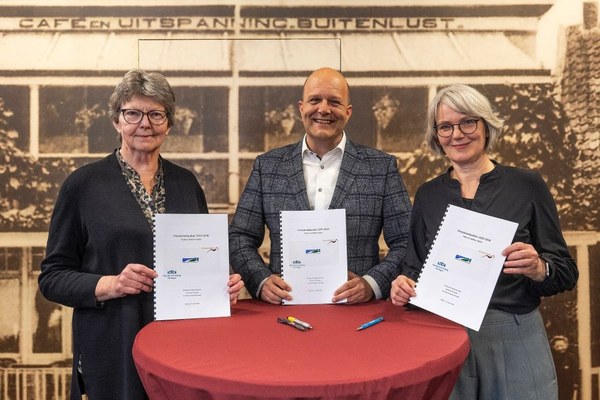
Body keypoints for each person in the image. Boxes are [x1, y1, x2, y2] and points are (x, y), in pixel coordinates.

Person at [38, 69, 244, 400]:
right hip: (113, 349)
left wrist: (221, 285)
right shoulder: (82, 185)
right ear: (116, 121)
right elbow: (53, 278)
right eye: (133, 113)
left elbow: (202, 258)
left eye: (156, 114)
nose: (144, 124)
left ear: (169, 123)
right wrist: (111, 284)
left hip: (182, 347)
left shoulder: (186, 183)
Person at [390, 84, 578, 399]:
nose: (457, 134)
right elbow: (414, 267)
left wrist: (539, 268)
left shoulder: (527, 186)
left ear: (486, 126)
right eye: (445, 126)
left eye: (467, 122)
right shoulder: (428, 194)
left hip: (514, 333)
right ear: (436, 136)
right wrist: (403, 286)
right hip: (444, 334)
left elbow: (566, 272)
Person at [229, 67, 411, 304]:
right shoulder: (268, 166)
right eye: (315, 100)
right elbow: (240, 237)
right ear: (301, 107)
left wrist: (372, 284)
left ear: (348, 112)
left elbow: (407, 241)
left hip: (357, 312)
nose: (324, 109)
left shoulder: (381, 167)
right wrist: (261, 281)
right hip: (284, 309)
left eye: (334, 102)